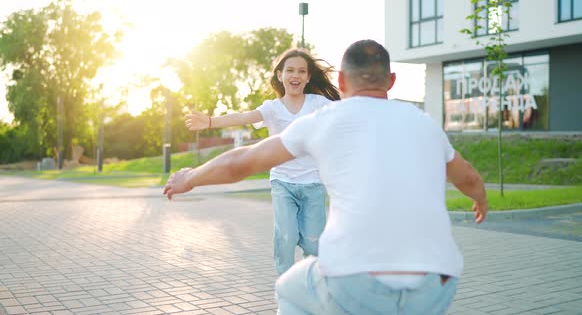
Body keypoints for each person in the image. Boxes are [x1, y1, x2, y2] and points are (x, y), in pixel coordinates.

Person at [164, 39, 488, 314]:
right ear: (390, 81)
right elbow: (469, 178)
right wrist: (480, 199)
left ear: (342, 83)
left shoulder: (326, 119)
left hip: (356, 280)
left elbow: (241, 164)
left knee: (289, 289)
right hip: (437, 282)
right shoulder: (424, 123)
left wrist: (191, 176)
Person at [184, 48, 340, 275]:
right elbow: (243, 117)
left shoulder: (318, 103)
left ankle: (311, 293)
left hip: (313, 184)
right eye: (290, 70)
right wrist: (209, 121)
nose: (295, 75)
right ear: (280, 75)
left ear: (308, 77)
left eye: (301, 71)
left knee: (313, 245)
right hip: (283, 183)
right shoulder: (272, 108)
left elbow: (349, 110)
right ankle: (285, 294)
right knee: (285, 239)